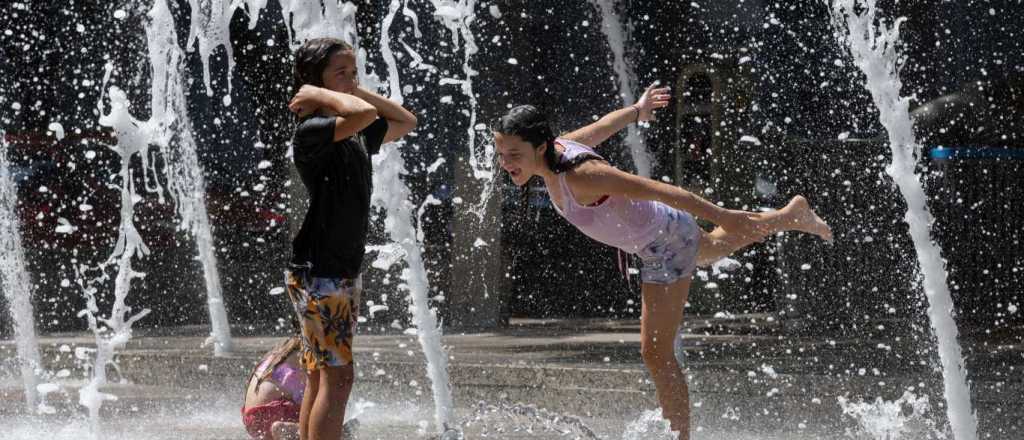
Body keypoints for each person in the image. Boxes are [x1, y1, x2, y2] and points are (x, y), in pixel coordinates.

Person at [491, 84, 832, 439]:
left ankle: (680, 436)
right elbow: (604, 125)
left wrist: (723, 214)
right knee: (713, 248)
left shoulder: (582, 176)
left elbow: (662, 190)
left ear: (540, 146)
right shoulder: (556, 152)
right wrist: (637, 110)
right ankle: (792, 216)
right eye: (501, 153)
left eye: (513, 154)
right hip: (661, 236)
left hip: (663, 242)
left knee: (656, 351)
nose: (506, 163)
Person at [285, 37, 417, 440]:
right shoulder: (313, 130)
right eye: (340, 72)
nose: (351, 79)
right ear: (315, 81)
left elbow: (405, 121)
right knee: (338, 380)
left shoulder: (352, 132)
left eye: (354, 70)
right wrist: (332, 94)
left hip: (334, 269)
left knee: (320, 376)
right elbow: (361, 115)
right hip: (320, 271)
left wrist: (350, 86)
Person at [241, 337, 359, 440]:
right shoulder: (302, 356)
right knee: (320, 419)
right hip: (275, 417)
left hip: (251, 420)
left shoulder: (276, 356)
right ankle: (285, 429)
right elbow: (309, 398)